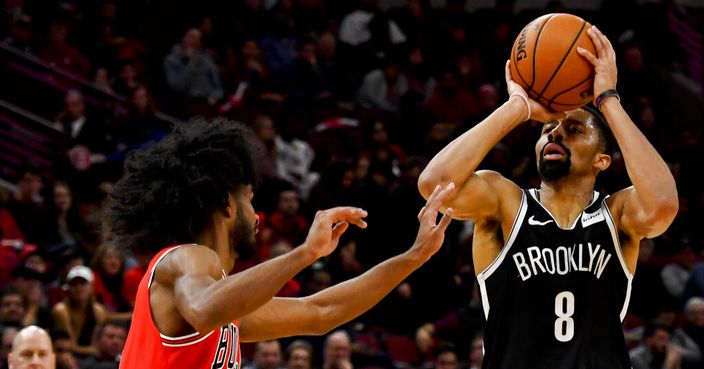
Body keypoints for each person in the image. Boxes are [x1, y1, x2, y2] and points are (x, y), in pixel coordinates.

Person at [418, 26, 678, 369]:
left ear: (602, 160)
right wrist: (516, 108)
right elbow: (434, 184)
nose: (556, 132)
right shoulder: (506, 204)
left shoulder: (617, 215)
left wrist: (608, 100)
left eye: (574, 129)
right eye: (548, 130)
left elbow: (662, 204)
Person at [109, 119, 455, 369]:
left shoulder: (225, 303)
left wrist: (414, 256)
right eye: (250, 200)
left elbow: (321, 312)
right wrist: (306, 253)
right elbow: (203, 309)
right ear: (227, 205)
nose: (258, 217)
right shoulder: (184, 258)